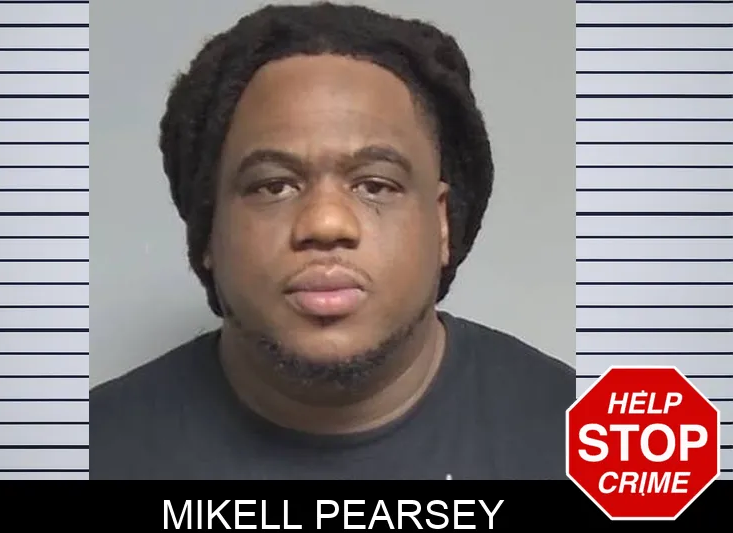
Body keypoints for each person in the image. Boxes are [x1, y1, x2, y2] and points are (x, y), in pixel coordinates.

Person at [90, 1, 575, 480]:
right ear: (207, 229)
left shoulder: (592, 441)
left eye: (376, 185)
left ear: (442, 222)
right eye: (273, 186)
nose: (325, 223)